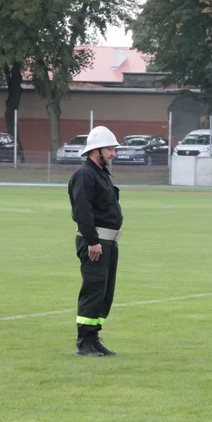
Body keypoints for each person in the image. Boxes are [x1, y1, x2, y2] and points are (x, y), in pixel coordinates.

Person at [68, 126, 123, 357]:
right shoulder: (85, 175)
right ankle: (84, 342)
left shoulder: (101, 173)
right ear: (96, 150)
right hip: (95, 243)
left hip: (107, 243)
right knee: (93, 290)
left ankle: (94, 336)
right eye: (109, 149)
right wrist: (92, 241)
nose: (113, 154)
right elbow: (82, 211)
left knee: (104, 292)